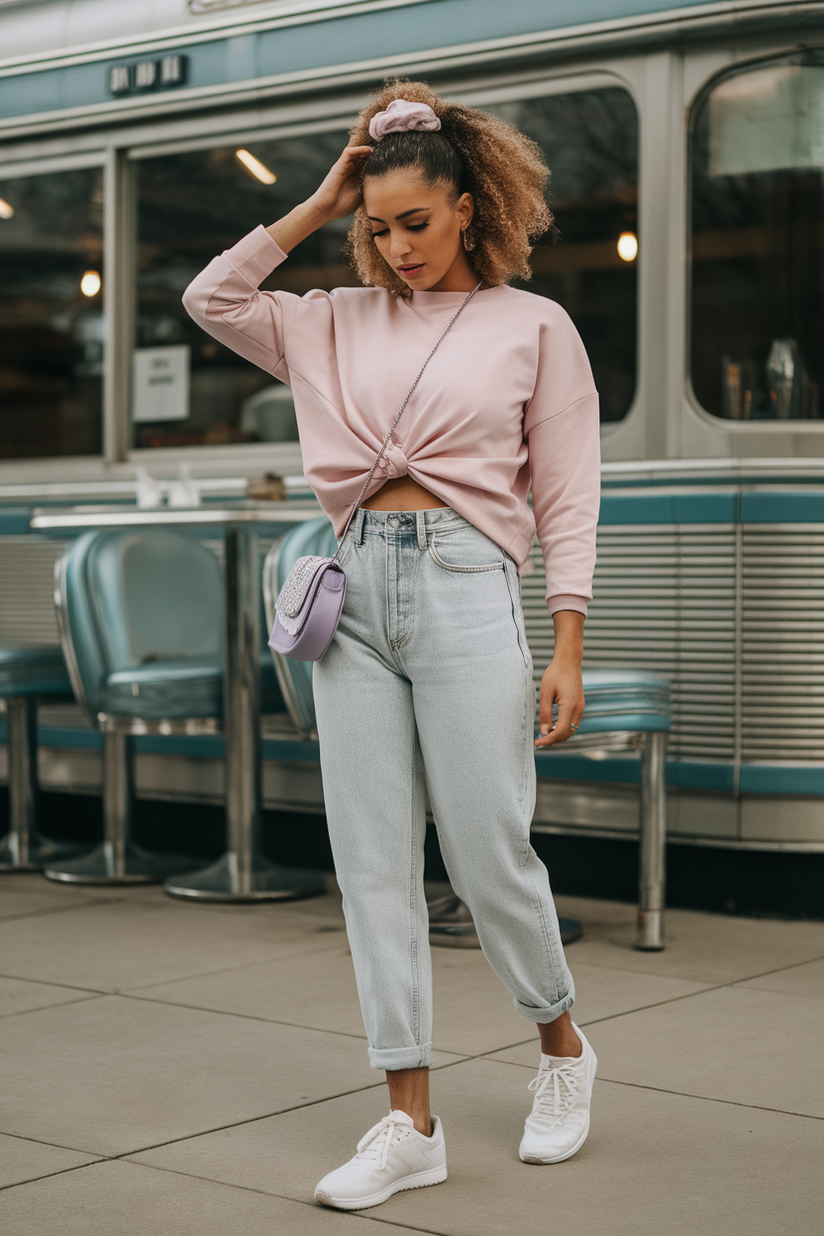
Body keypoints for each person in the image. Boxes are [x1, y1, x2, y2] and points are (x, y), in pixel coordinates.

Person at [183, 78, 601, 1212]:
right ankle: (406, 1116)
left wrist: (564, 643)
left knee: (485, 853)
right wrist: (320, 202)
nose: (397, 245)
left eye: (416, 220)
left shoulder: (532, 326)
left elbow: (566, 494)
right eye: (378, 227)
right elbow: (210, 295)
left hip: (469, 588)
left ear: (469, 206)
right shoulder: (324, 318)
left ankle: (561, 1051)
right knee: (370, 863)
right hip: (348, 595)